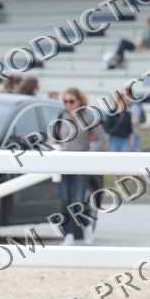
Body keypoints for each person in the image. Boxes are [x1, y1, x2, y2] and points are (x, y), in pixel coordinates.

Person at [53, 88, 105, 245]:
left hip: (81, 165)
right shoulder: (62, 116)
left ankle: (84, 227)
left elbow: (101, 139)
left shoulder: (88, 116)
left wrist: (89, 155)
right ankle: (69, 235)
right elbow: (55, 137)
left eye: (71, 101)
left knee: (77, 200)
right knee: (65, 200)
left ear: (79, 101)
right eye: (65, 101)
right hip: (64, 165)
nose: (68, 105)